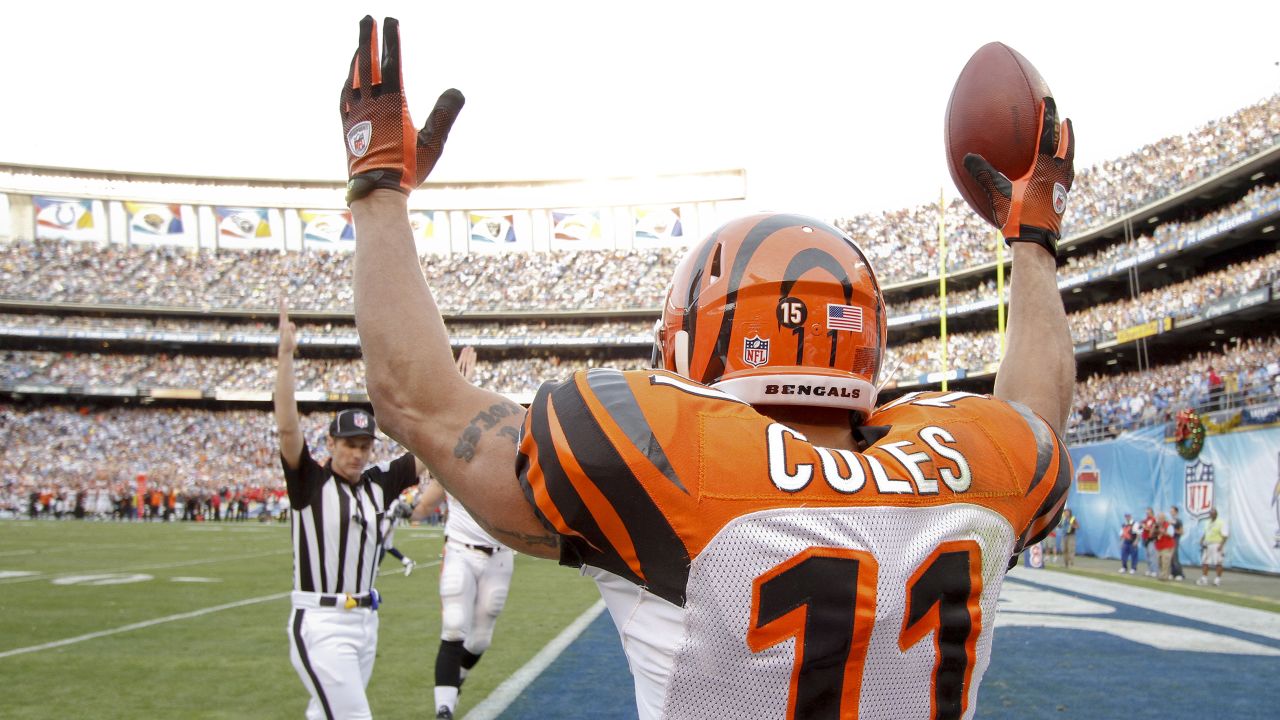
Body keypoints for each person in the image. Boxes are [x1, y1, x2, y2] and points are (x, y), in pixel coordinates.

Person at [341, 15, 1074, 719]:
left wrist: (379, 191)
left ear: (704, 337)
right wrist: (1034, 242)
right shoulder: (978, 464)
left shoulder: (674, 457)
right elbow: (1034, 418)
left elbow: (416, 399)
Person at [275, 299, 426, 719]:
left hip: (365, 620)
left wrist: (447, 399)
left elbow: (426, 453)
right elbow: (287, 428)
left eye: (364, 447)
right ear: (331, 445)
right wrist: (286, 357)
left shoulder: (378, 484)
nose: (357, 455)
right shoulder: (310, 482)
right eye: (349, 446)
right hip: (322, 621)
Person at [410, 346, 516, 720]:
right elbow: (435, 473)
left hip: (500, 556)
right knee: (454, 625)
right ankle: (444, 709)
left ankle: (450, 686)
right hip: (460, 548)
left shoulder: (512, 465)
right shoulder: (459, 456)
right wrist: (458, 386)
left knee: (481, 637)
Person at [379, 489, 417, 577]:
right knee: (387, 545)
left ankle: (376, 568)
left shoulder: (393, 496)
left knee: (381, 543)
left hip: (389, 520)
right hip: (389, 519)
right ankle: (407, 561)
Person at [1197, 507, 1229, 586]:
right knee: (1205, 562)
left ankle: (1217, 579)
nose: (1211, 515)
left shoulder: (1221, 523)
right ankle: (1204, 578)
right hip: (1207, 544)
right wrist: (1201, 539)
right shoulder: (1207, 522)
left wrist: (1221, 545)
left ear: (1216, 514)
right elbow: (1206, 532)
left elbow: (1225, 536)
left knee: (1218, 562)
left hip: (1216, 544)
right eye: (1210, 513)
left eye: (1213, 513)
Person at [1154, 511, 1175, 580]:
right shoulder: (1156, 526)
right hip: (1159, 546)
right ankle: (1163, 573)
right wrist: (1153, 529)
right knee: (1159, 561)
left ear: (1164, 518)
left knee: (1165, 561)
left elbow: (1171, 535)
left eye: (1161, 518)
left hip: (1167, 546)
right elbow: (1152, 535)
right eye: (1158, 518)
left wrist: (1163, 532)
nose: (1159, 520)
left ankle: (1164, 576)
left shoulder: (1169, 525)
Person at [1168, 505, 1185, 580]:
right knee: (1170, 557)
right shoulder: (1170, 520)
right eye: (1170, 511)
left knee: (1175, 556)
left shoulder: (1178, 521)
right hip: (1169, 540)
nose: (1171, 512)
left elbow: (1181, 532)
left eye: (1172, 511)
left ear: (1176, 512)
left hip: (1175, 539)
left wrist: (1173, 531)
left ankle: (1180, 574)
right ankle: (1173, 573)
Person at [1141, 507, 1158, 577]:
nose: (1147, 514)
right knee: (1147, 555)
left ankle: (1154, 570)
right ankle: (1149, 569)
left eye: (1149, 512)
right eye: (1146, 513)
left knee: (1152, 555)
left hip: (1151, 539)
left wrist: (1146, 527)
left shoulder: (1154, 519)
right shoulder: (1146, 520)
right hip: (1145, 539)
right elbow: (1142, 525)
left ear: (1152, 512)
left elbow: (1152, 528)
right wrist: (1144, 526)